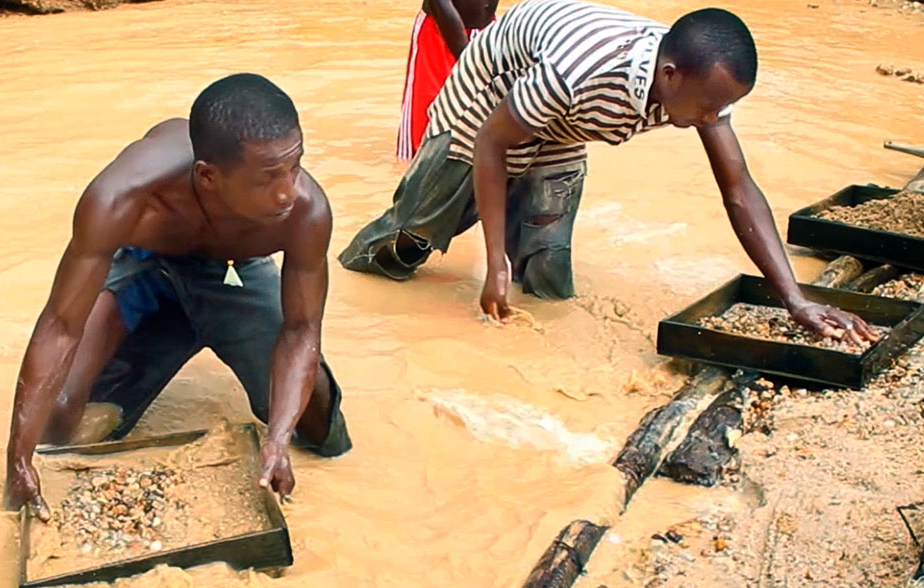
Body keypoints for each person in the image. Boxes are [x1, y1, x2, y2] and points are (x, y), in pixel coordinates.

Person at [343, 0, 875, 341]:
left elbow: (738, 189)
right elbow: (492, 143)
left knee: (548, 269)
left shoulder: (701, 87)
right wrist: (495, 262)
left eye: (722, 109)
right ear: (670, 76)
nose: (714, 120)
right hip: (486, 106)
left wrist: (794, 299)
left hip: (564, 124)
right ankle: (355, 268)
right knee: (411, 240)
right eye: (708, 109)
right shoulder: (580, 71)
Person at [4, 74, 351, 522]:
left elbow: (301, 329)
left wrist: (278, 441)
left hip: (234, 270)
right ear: (208, 176)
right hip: (148, 266)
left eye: (295, 166)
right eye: (268, 178)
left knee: (319, 428)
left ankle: (210, 324)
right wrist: (18, 459)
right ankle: (169, 328)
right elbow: (61, 324)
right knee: (59, 423)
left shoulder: (305, 211)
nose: (288, 191)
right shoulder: (123, 199)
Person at [397, 0, 498, 160]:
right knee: (423, 135)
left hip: (487, 31)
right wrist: (469, 61)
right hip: (438, 34)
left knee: (486, 128)